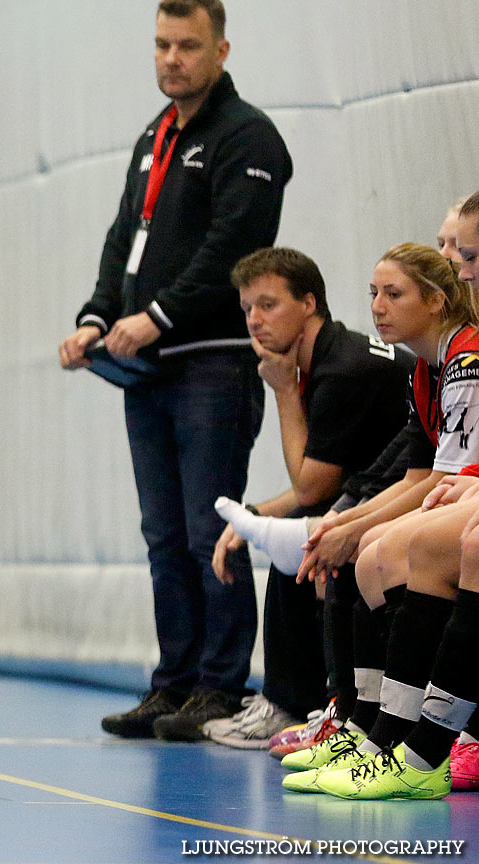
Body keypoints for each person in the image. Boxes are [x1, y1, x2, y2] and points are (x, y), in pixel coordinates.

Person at [58, 0, 293, 741]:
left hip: (213, 366)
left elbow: (230, 248)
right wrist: (96, 318)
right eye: (161, 45)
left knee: (207, 531)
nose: (171, 59)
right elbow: (124, 235)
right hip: (151, 369)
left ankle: (222, 687)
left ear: (220, 50)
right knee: (162, 533)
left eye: (187, 46)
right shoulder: (156, 135)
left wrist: (154, 316)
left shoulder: (248, 140)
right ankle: (177, 681)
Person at [275, 241, 479, 797]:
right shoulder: (427, 370)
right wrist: (345, 525)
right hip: (454, 490)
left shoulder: (465, 357)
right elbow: (419, 478)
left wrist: (353, 526)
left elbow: (446, 480)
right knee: (366, 553)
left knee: (389, 553)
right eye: (373, 294)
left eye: (393, 293)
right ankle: (374, 728)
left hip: (463, 494)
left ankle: (420, 739)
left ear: (436, 301)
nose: (378, 306)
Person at [205, 248, 411, 750]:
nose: (254, 320)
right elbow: (324, 484)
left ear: (309, 304)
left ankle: (289, 703)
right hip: (373, 489)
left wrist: (281, 393)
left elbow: (310, 488)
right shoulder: (333, 357)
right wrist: (254, 515)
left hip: (411, 492)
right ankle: (305, 700)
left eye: (268, 305)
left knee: (302, 540)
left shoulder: (341, 371)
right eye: (247, 307)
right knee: (296, 527)